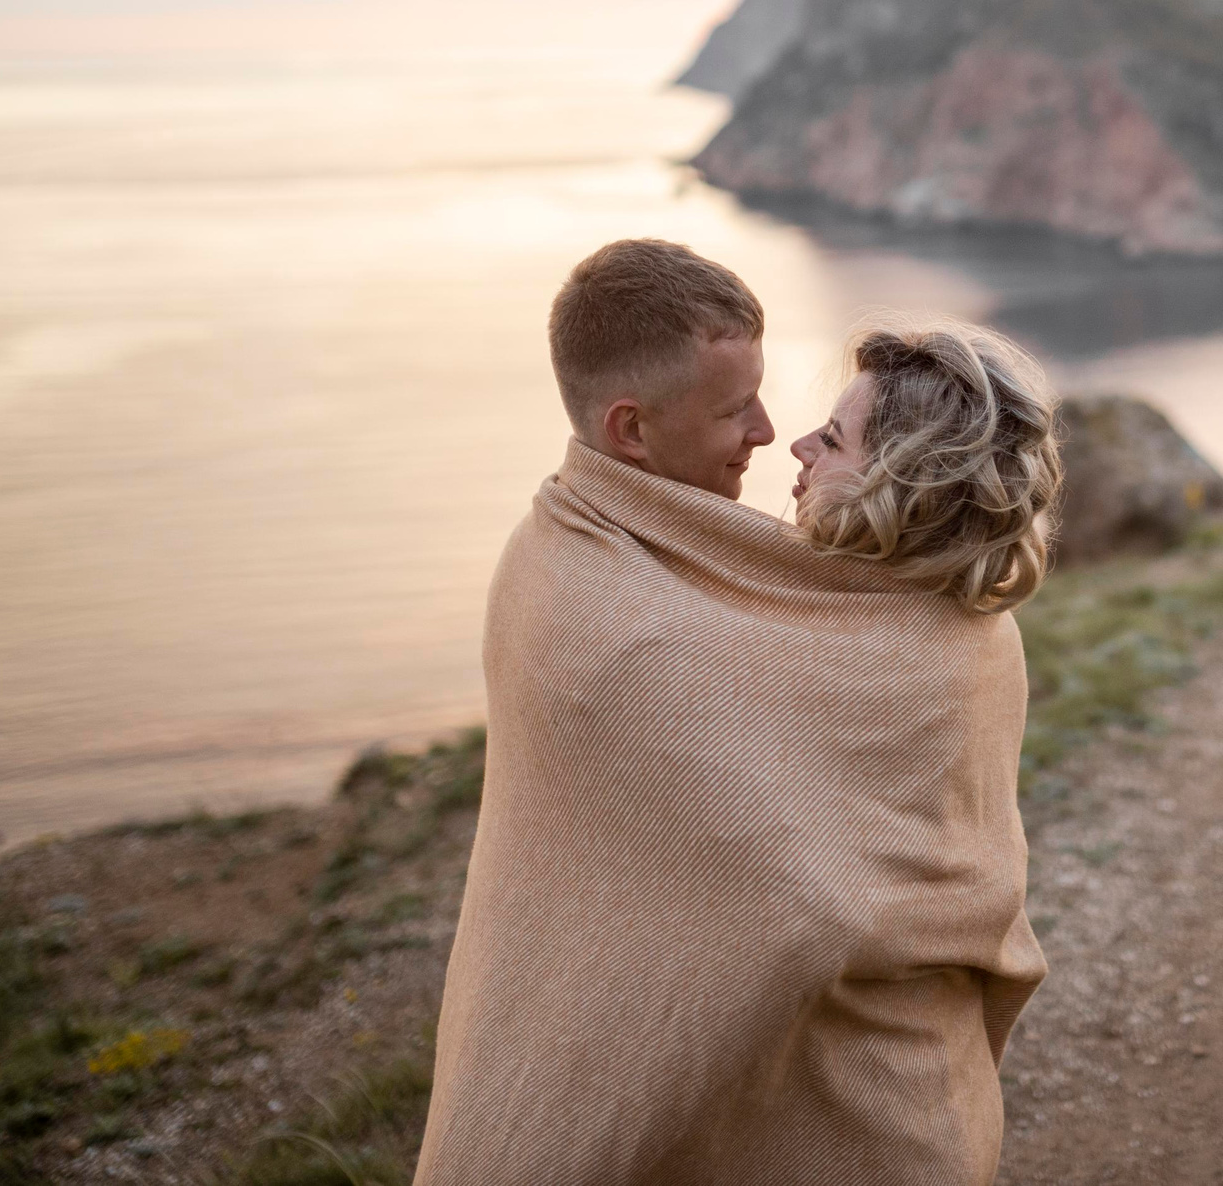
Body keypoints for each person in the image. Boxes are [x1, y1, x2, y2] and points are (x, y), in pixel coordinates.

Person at [415, 238, 1056, 1186]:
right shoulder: (591, 596)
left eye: (825, 436)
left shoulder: (938, 633)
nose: (773, 434)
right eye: (734, 407)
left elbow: (844, 888)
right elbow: (773, 901)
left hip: (884, 1118)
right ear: (631, 430)